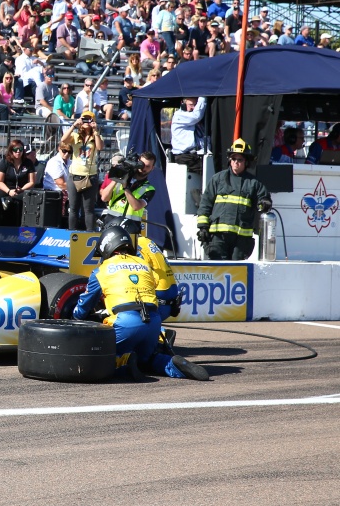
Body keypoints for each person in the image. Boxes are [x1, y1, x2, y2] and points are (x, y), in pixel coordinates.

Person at [73, 225, 208, 381]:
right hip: (153, 323)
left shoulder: (101, 271)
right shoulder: (144, 265)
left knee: (95, 356)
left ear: (107, 248)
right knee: (147, 360)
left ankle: (124, 361)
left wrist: (75, 317)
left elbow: (81, 310)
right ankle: (172, 363)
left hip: (125, 323)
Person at [197, 139, 272, 261]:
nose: (236, 162)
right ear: (230, 161)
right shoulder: (218, 179)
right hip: (218, 237)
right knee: (219, 270)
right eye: (233, 159)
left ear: (246, 162)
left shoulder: (254, 183)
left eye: (240, 159)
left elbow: (264, 198)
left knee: (237, 271)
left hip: (241, 240)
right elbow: (205, 204)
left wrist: (264, 203)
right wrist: (203, 227)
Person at [61, 111, 103, 230]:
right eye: (84, 119)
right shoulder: (75, 136)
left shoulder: (96, 136)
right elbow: (63, 140)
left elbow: (100, 147)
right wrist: (74, 125)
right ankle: (71, 234)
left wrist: (96, 131)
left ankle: (89, 235)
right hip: (74, 175)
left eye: (89, 120)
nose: (86, 122)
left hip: (90, 176)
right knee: (73, 208)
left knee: (88, 209)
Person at [99, 152, 157, 225]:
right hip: (111, 221)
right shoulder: (123, 176)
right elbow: (104, 198)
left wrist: (125, 187)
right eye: (142, 164)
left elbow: (136, 206)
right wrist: (117, 178)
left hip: (130, 226)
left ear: (152, 168)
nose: (143, 168)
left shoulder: (149, 188)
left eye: (147, 166)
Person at [0, 140, 36, 226]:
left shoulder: (28, 163)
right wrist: (9, 191)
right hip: (5, 188)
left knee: (26, 199)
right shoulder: (5, 162)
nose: (18, 151)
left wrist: (22, 189)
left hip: (22, 189)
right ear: (11, 151)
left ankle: (23, 228)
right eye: (16, 149)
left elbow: (31, 182)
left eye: (21, 149)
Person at [170, 97, 207, 174]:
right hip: (184, 156)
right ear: (183, 104)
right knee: (209, 172)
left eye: (195, 105)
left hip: (195, 155)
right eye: (191, 105)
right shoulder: (179, 115)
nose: (193, 107)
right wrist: (203, 97)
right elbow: (196, 116)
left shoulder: (196, 123)